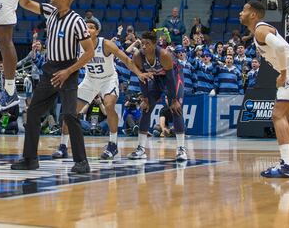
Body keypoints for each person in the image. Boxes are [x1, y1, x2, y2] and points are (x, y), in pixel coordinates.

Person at [11, 0, 93, 174]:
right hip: (49, 71)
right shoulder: (50, 11)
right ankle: (30, 159)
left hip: (68, 71)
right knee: (32, 113)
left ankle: (82, 162)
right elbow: (25, 4)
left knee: (70, 115)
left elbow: (88, 53)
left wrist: (68, 71)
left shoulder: (77, 21)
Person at [52, 20, 153, 160]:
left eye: (92, 27)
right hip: (90, 79)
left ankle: (113, 145)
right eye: (86, 26)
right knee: (70, 111)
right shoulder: (78, 44)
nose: (88, 29)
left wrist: (139, 73)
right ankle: (63, 147)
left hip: (108, 79)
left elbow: (126, 60)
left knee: (109, 105)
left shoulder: (105, 44)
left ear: (97, 31)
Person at [238, 0, 289, 178]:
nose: (240, 13)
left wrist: (284, 73)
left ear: (253, 14)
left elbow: (281, 47)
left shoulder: (261, 30)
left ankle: (287, 166)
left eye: (244, 10)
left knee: (277, 115)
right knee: (285, 116)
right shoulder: (258, 32)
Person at [128, 31, 189, 162]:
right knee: (146, 108)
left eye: (147, 44)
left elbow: (171, 79)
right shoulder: (138, 56)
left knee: (176, 109)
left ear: (155, 44)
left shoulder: (164, 55)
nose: (144, 47)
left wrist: (173, 99)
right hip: (156, 78)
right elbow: (142, 78)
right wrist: (145, 98)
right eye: (142, 44)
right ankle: (141, 149)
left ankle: (181, 149)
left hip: (173, 77)